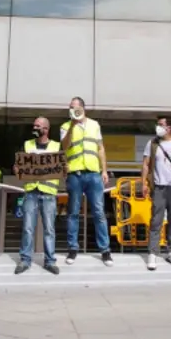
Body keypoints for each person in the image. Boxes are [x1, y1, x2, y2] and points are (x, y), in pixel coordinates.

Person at [61, 96, 113, 267]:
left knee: (98, 212)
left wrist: (104, 170)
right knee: (73, 212)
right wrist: (72, 126)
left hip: (93, 174)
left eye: (74, 107)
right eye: (70, 107)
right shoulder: (65, 126)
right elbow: (64, 147)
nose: (72, 110)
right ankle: (72, 249)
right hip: (75, 173)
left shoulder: (94, 124)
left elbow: (100, 148)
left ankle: (105, 251)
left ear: (83, 108)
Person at [142, 115, 171, 270]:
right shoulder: (152, 143)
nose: (158, 127)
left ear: (169, 128)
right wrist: (144, 183)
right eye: (158, 124)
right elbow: (145, 164)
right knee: (156, 220)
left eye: (161, 125)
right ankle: (153, 253)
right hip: (158, 187)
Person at [15, 116, 60, 275]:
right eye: (34, 125)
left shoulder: (56, 146)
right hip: (31, 191)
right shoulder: (27, 145)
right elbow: (17, 166)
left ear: (46, 129)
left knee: (49, 229)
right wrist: (18, 169)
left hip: (48, 192)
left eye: (38, 126)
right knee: (27, 227)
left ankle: (50, 261)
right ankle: (25, 260)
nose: (34, 128)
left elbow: (62, 167)